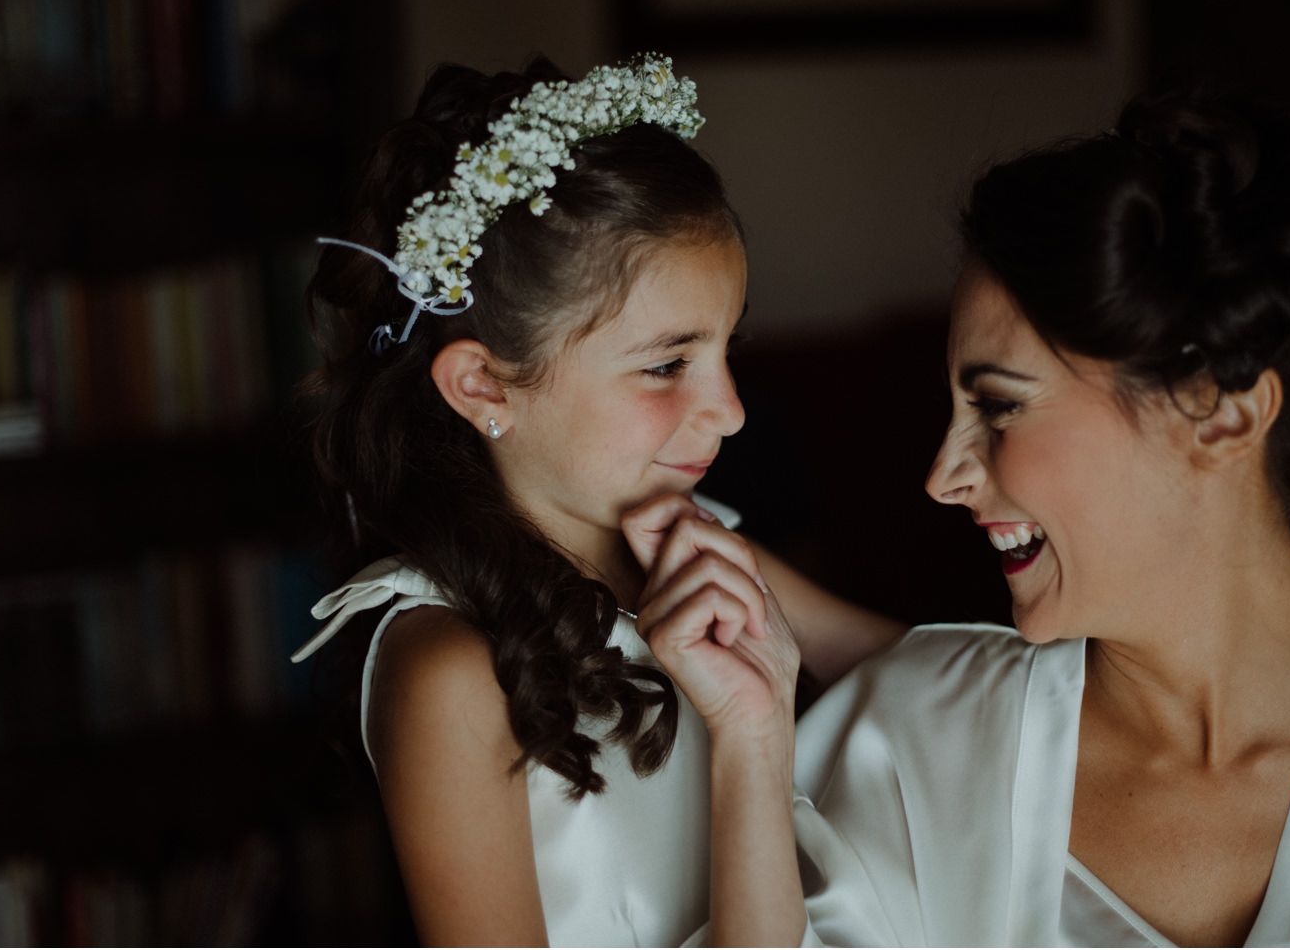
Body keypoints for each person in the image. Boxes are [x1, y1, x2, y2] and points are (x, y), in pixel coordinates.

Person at [632, 87, 1290, 946]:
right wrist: (750, 733)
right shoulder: (918, 739)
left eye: (999, 406)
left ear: (1221, 415)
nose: (943, 478)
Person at [286, 55, 903, 947]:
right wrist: (753, 740)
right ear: (484, 386)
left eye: (727, 349)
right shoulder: (451, 674)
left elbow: (916, 678)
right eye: (667, 364)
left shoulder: (693, 544)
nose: (731, 411)